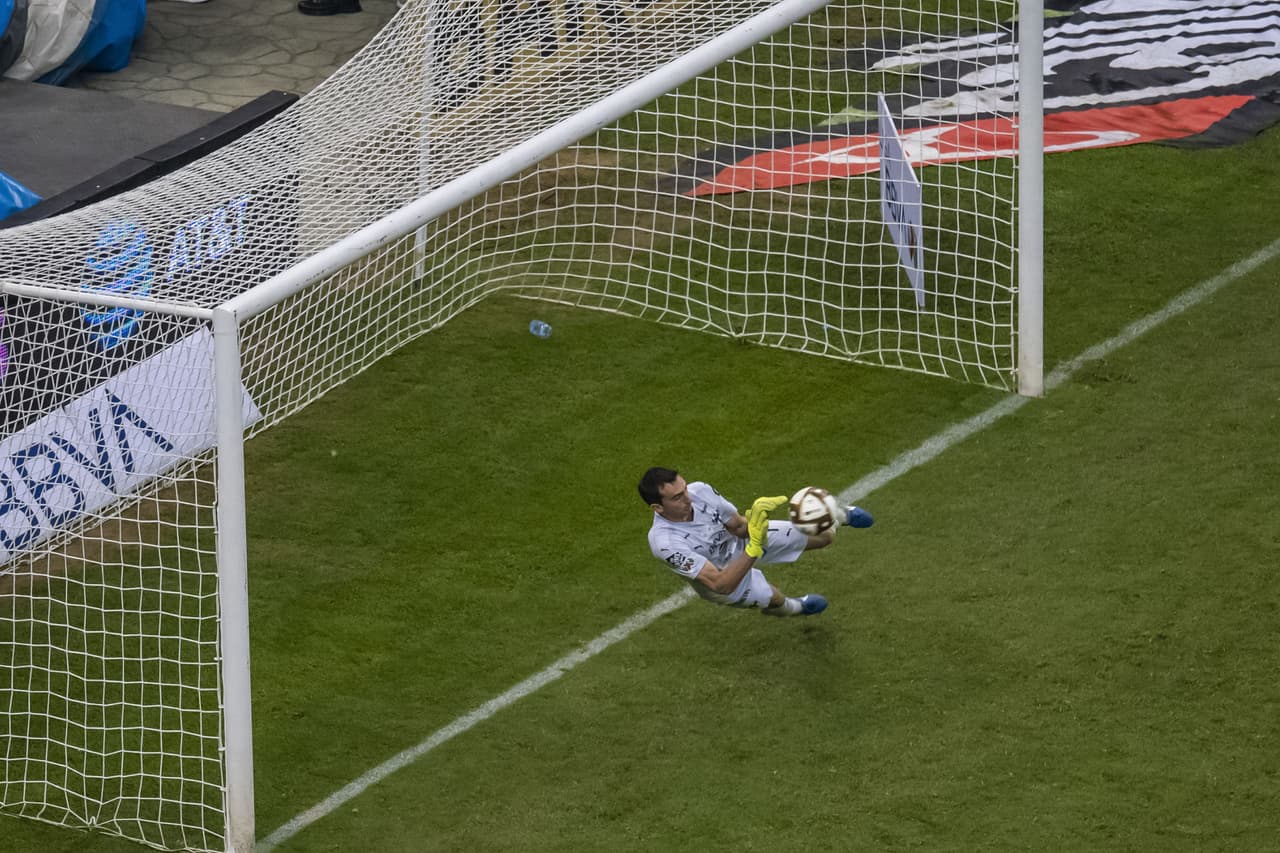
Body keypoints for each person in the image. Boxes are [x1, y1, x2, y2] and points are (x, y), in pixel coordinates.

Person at [638, 466, 873, 617]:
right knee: (774, 599)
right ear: (658, 507)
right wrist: (754, 548)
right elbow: (721, 584)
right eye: (677, 497)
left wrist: (752, 525)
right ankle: (795, 607)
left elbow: (739, 527)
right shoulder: (665, 542)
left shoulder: (700, 492)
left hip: (745, 543)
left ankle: (840, 514)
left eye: (684, 489)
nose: (688, 498)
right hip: (723, 573)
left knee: (824, 538)